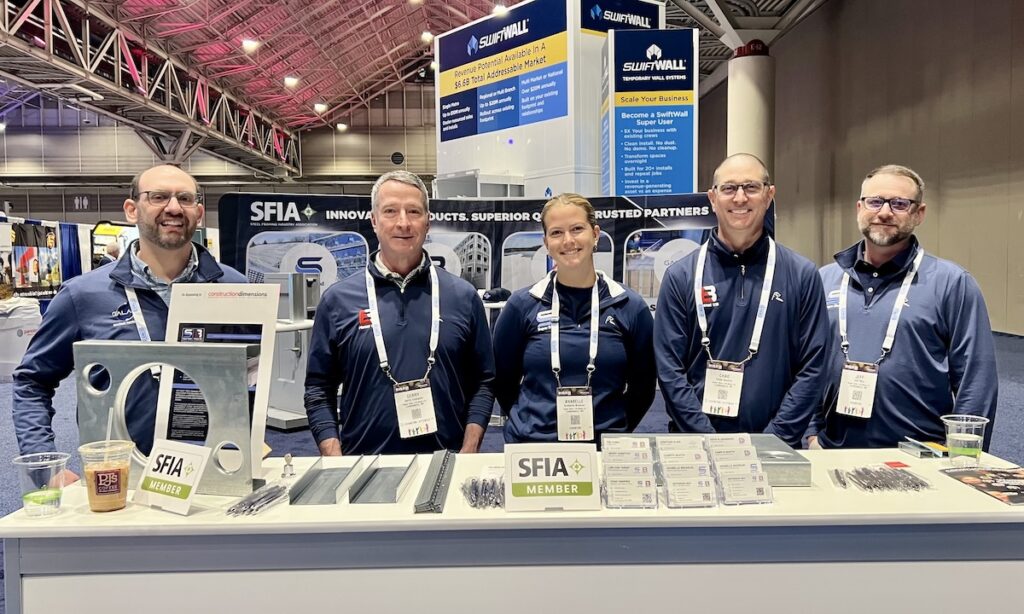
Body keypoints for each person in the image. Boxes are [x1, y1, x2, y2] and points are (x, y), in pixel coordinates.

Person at [12, 164, 246, 474]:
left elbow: (253, 376)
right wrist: (45, 465)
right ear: (132, 210)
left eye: (185, 199)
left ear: (199, 212)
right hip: (120, 476)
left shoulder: (236, 289)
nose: (174, 208)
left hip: (219, 470)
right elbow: (32, 382)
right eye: (159, 197)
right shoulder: (83, 295)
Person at [304, 170, 495, 455]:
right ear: (374, 221)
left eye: (414, 211)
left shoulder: (463, 297)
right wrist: (334, 458)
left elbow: (484, 381)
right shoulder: (337, 301)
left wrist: (469, 450)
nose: (403, 222)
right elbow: (318, 388)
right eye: (391, 211)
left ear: (428, 222)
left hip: (447, 462)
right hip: (364, 466)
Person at [807, 164, 997, 449]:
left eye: (899, 204)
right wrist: (810, 435)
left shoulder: (952, 283)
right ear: (859, 208)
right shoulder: (823, 280)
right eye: (875, 201)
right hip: (832, 452)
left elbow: (976, 380)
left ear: (919, 213)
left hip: (921, 459)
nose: (884, 212)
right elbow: (804, 366)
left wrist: (962, 457)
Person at [654, 153, 829, 447]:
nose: (739, 198)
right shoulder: (681, 276)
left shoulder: (802, 274)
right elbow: (669, 369)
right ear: (712, 197)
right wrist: (705, 439)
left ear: (769, 195)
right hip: (695, 448)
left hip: (777, 448)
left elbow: (812, 367)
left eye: (750, 187)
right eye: (729, 188)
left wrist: (774, 440)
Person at [493, 194, 656, 443]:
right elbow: (503, 383)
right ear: (546, 242)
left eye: (577, 229)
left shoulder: (629, 306)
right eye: (556, 232)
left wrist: (612, 433)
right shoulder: (522, 305)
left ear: (595, 234)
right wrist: (530, 426)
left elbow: (643, 388)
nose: (568, 240)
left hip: (605, 450)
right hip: (534, 450)